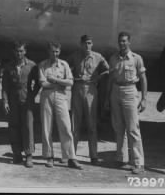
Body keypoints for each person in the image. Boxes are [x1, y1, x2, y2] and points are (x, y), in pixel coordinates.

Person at [105, 31, 147, 174]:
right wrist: (107, 98)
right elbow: (110, 79)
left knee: (133, 129)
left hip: (130, 91)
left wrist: (144, 98)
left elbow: (143, 79)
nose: (122, 44)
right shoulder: (113, 58)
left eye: (124, 41)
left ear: (129, 42)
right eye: (120, 41)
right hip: (115, 91)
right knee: (118, 127)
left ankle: (138, 162)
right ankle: (121, 158)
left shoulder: (136, 58)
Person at [38, 41, 82, 169]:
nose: (55, 54)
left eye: (57, 51)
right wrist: (60, 83)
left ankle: (70, 157)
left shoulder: (64, 65)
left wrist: (55, 80)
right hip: (46, 96)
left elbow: (70, 82)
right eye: (52, 51)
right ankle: (49, 156)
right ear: (48, 51)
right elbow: (43, 83)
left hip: (61, 97)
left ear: (60, 52)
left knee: (66, 127)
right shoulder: (42, 65)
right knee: (47, 127)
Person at [68, 35, 109, 165]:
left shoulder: (98, 57)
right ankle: (72, 155)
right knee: (75, 123)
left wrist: (98, 78)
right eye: (85, 43)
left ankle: (94, 155)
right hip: (77, 88)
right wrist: (70, 78)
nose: (87, 46)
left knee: (92, 125)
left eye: (89, 43)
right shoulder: (75, 56)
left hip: (91, 90)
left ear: (92, 44)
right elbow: (64, 66)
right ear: (80, 44)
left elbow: (108, 70)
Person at [2, 41, 40, 168]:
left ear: (25, 52)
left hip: (26, 99)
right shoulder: (9, 67)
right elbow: (5, 86)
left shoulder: (32, 65)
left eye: (21, 51)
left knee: (28, 127)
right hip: (13, 99)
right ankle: (17, 153)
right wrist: (5, 101)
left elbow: (38, 82)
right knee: (14, 126)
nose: (19, 54)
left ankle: (29, 155)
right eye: (17, 51)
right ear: (14, 52)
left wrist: (32, 95)